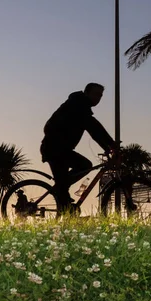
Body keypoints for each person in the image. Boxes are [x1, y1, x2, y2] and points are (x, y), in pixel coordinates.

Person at [40, 82, 116, 211]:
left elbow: (94, 128)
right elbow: (93, 128)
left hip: (61, 149)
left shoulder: (80, 106)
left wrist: (108, 146)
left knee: (74, 175)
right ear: (86, 93)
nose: (98, 98)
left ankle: (62, 194)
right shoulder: (77, 105)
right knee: (83, 167)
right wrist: (110, 145)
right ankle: (61, 194)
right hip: (54, 149)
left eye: (101, 96)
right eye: (96, 94)